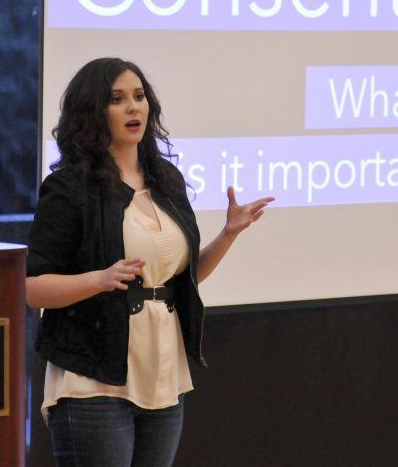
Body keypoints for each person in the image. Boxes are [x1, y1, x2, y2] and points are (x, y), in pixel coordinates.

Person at [26, 58, 274, 467]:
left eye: (139, 97)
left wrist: (228, 234)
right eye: (118, 99)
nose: (134, 108)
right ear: (92, 111)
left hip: (163, 375)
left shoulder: (166, 180)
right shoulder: (69, 188)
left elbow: (183, 278)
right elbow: (32, 288)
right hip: (93, 378)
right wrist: (99, 279)